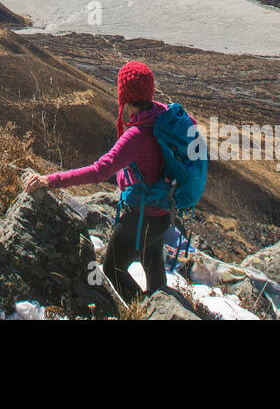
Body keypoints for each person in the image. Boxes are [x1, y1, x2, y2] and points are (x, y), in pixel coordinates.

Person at [24, 60, 172, 303]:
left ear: (123, 94)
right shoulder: (161, 116)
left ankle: (145, 313)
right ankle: (164, 309)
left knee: (113, 268)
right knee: (155, 276)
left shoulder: (136, 135)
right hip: (163, 215)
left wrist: (50, 180)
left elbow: (99, 171)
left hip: (141, 218)